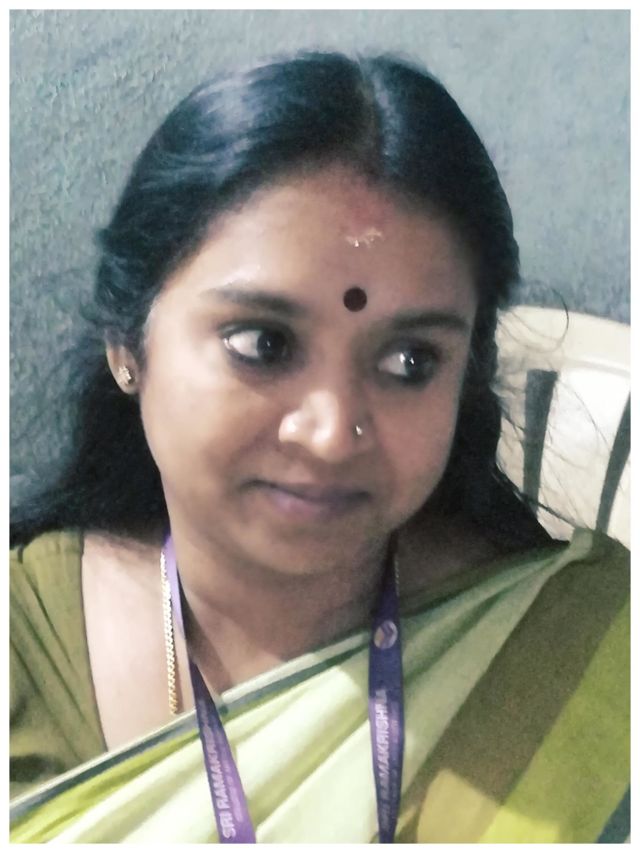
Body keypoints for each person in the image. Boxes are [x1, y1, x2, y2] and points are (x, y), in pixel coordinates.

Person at [10, 51, 629, 843]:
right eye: (263, 344)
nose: (334, 433)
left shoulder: (578, 650)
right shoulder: (22, 646)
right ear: (127, 344)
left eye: (411, 361)